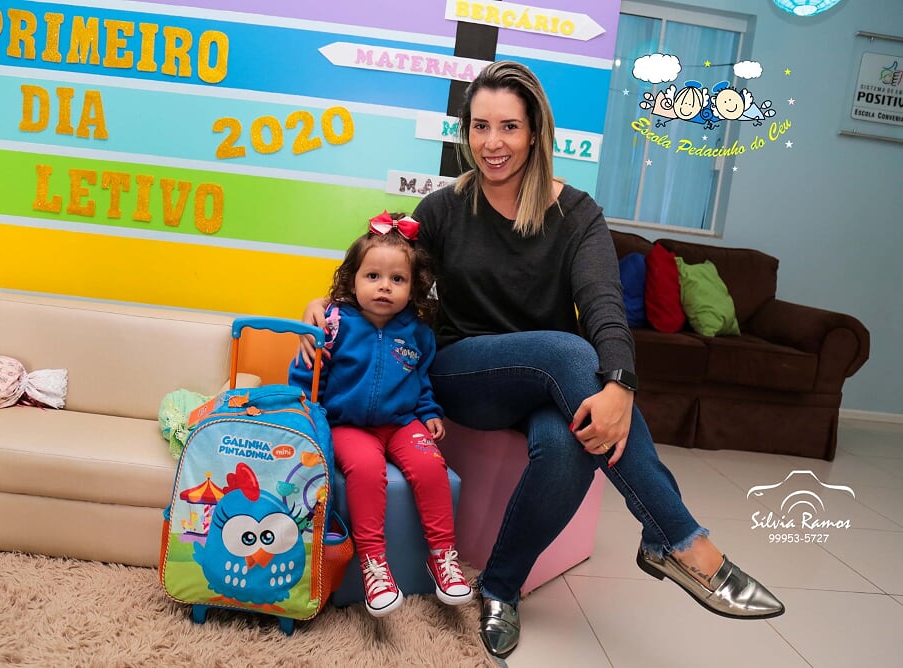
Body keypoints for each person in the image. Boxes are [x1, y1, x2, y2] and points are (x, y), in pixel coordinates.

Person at [300, 61, 784, 657]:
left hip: (549, 379)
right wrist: (325, 305)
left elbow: (604, 304)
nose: (492, 143)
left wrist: (620, 386)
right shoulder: (444, 209)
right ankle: (678, 537)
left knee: (569, 442)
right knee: (569, 351)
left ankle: (500, 589)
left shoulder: (576, 214)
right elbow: (381, 267)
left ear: (535, 133)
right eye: (480, 127)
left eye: (508, 126)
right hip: (463, 371)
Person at [288, 212, 473, 618]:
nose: (384, 286)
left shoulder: (418, 333)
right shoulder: (333, 325)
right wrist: (304, 416)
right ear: (352, 279)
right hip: (348, 426)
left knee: (431, 466)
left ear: (414, 287)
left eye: (397, 279)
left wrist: (429, 412)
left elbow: (421, 380)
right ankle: (374, 564)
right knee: (367, 470)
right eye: (373, 276)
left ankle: (443, 557)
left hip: (402, 423)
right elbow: (306, 374)